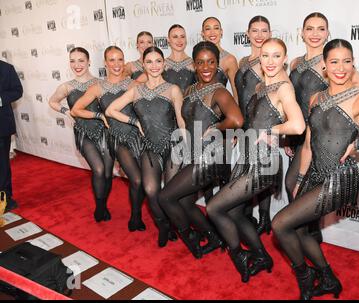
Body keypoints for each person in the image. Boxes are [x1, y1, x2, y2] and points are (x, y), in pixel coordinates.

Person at [271, 39, 359, 300]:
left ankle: (305, 277)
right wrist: (301, 179)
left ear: (354, 63)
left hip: (339, 179)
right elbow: (310, 147)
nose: (341, 67)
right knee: (301, 229)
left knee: (279, 224)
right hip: (313, 174)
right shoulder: (316, 98)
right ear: (324, 65)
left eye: (347, 61)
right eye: (334, 61)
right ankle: (328, 278)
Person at [206, 38, 305, 283]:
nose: (270, 61)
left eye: (276, 56)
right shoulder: (261, 86)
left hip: (264, 164)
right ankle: (262, 256)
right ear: (258, 58)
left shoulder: (284, 87)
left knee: (214, 208)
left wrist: (272, 131)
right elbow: (254, 122)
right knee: (237, 213)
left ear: (284, 58)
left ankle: (238, 255)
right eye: (265, 56)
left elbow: (298, 125)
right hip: (247, 158)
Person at [285, 12, 359, 243]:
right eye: (310, 28)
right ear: (301, 33)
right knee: (291, 185)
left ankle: (307, 234)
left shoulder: (333, 62)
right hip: (301, 135)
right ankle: (306, 233)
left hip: (322, 138)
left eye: (321, 29)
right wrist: (289, 135)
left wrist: (353, 125)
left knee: (293, 184)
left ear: (328, 33)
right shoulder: (295, 63)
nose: (315, 33)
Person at [158, 41, 243, 259]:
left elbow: (236, 119)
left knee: (166, 197)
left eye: (211, 62)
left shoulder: (219, 92)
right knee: (185, 202)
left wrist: (216, 127)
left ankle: (191, 240)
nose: (206, 67)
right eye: (200, 62)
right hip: (195, 155)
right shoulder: (190, 89)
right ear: (194, 65)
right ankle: (213, 237)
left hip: (211, 158)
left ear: (218, 64)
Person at [106, 46, 183, 247]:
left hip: (173, 146)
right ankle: (163, 225)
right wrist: (135, 122)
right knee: (150, 190)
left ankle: (176, 225)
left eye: (158, 61)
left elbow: (182, 121)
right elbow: (110, 109)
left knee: (170, 193)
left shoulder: (173, 89)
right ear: (144, 65)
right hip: (149, 148)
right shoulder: (136, 90)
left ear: (164, 64)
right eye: (149, 62)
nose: (154, 65)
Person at [71, 46, 143, 227]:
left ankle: (134, 215)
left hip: (136, 138)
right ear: (105, 63)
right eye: (112, 60)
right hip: (113, 137)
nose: (116, 64)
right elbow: (75, 109)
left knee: (120, 177)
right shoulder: (98, 87)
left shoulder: (134, 84)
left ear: (124, 61)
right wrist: (99, 116)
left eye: (120, 59)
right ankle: (102, 207)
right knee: (118, 175)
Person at [49, 47, 109, 221]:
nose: (77, 65)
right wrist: (66, 111)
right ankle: (99, 208)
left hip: (104, 132)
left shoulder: (100, 83)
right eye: (72, 61)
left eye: (81, 60)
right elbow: (52, 101)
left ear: (89, 62)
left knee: (106, 173)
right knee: (98, 169)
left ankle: (103, 205)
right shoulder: (67, 86)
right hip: (83, 133)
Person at [234, 15, 273, 235]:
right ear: (247, 34)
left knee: (262, 173)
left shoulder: (272, 62)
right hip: (245, 127)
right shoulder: (242, 62)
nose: (259, 35)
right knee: (249, 172)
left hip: (263, 127)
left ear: (270, 34)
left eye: (264, 31)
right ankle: (249, 216)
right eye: (255, 31)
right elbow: (241, 97)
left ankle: (265, 218)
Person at [0, 60, 23, 212]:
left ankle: (5, 199)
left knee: (2, 165)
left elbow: (17, 90)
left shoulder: (6, 68)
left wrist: (1, 99)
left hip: (1, 125)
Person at [201, 17, 239, 100]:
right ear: (202, 33)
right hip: (196, 110)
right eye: (208, 29)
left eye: (216, 28)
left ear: (221, 32)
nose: (212, 32)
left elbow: (236, 93)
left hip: (219, 110)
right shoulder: (197, 58)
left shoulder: (230, 60)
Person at [162, 24, 196, 93]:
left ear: (186, 39)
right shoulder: (161, 64)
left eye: (182, 37)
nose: (179, 40)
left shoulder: (194, 63)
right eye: (175, 37)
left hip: (190, 103)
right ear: (168, 40)